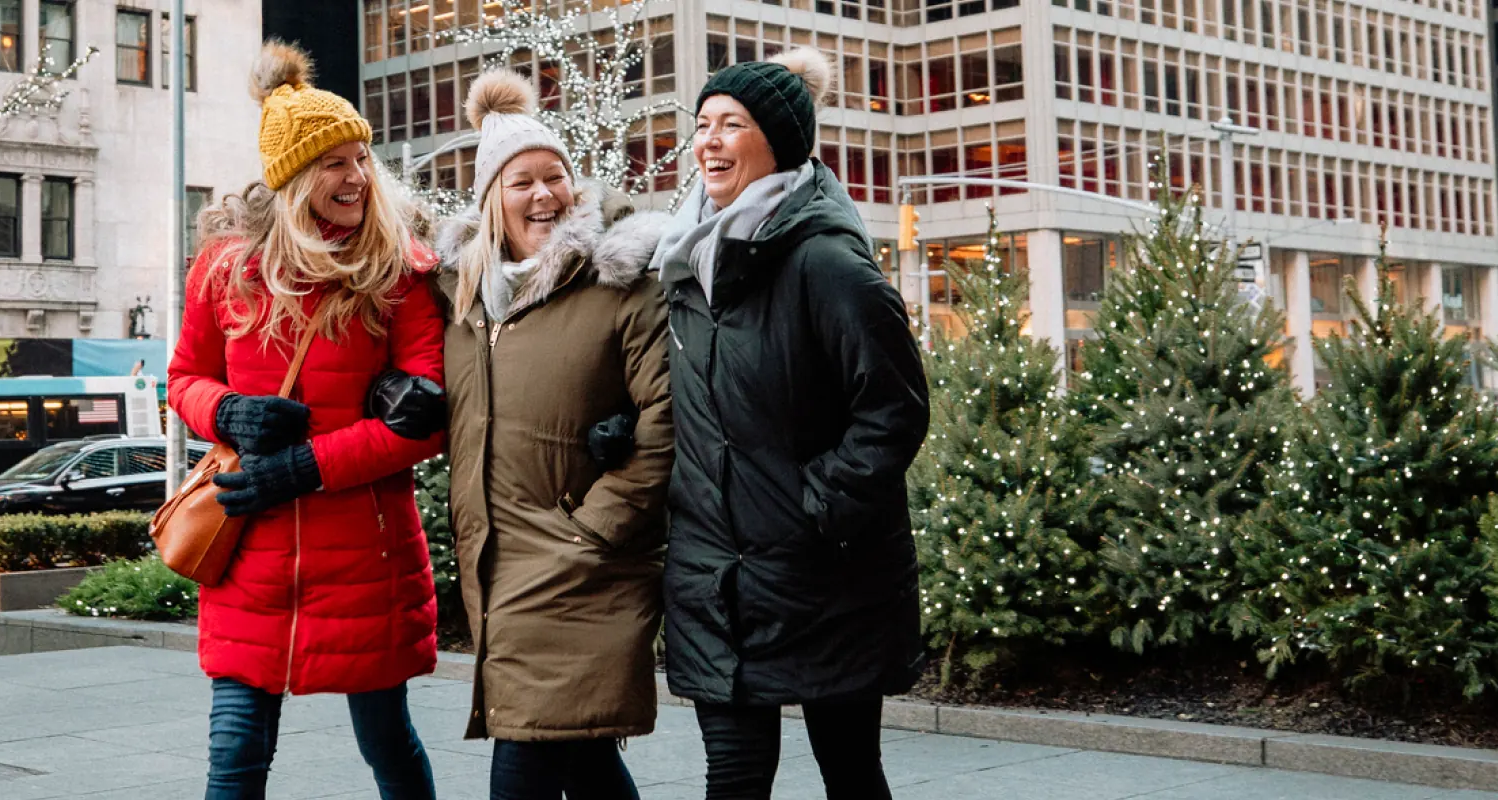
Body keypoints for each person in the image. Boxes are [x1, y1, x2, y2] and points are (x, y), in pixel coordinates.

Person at [168, 42, 448, 800]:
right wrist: (226, 409)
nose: (357, 177)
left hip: (365, 560)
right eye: (334, 161)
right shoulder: (225, 269)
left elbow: (425, 421)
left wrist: (307, 466)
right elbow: (183, 380)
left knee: (387, 743)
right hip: (247, 553)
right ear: (292, 175)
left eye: (361, 158)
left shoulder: (400, 273)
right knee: (233, 758)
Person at [648, 48, 931, 800]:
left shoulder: (827, 264)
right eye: (701, 123)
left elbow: (895, 407)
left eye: (730, 124)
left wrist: (822, 504)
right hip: (715, 576)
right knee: (734, 778)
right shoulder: (685, 263)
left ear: (778, 140)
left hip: (824, 574)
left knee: (849, 770)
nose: (706, 140)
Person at [430, 69, 675, 800]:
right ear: (489, 201)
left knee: (530, 761)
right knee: (585, 757)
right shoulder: (466, 299)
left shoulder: (619, 284)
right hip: (500, 566)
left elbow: (666, 419)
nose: (543, 195)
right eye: (521, 182)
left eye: (555, 176)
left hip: (581, 563)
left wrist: (595, 527)